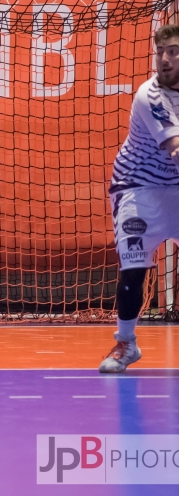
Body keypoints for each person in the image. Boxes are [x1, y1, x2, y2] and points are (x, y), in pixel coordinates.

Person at [100, 24, 179, 373]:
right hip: (137, 187)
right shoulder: (150, 94)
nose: (165, 59)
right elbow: (175, 147)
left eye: (174, 51)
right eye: (160, 51)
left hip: (176, 188)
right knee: (134, 269)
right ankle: (126, 344)